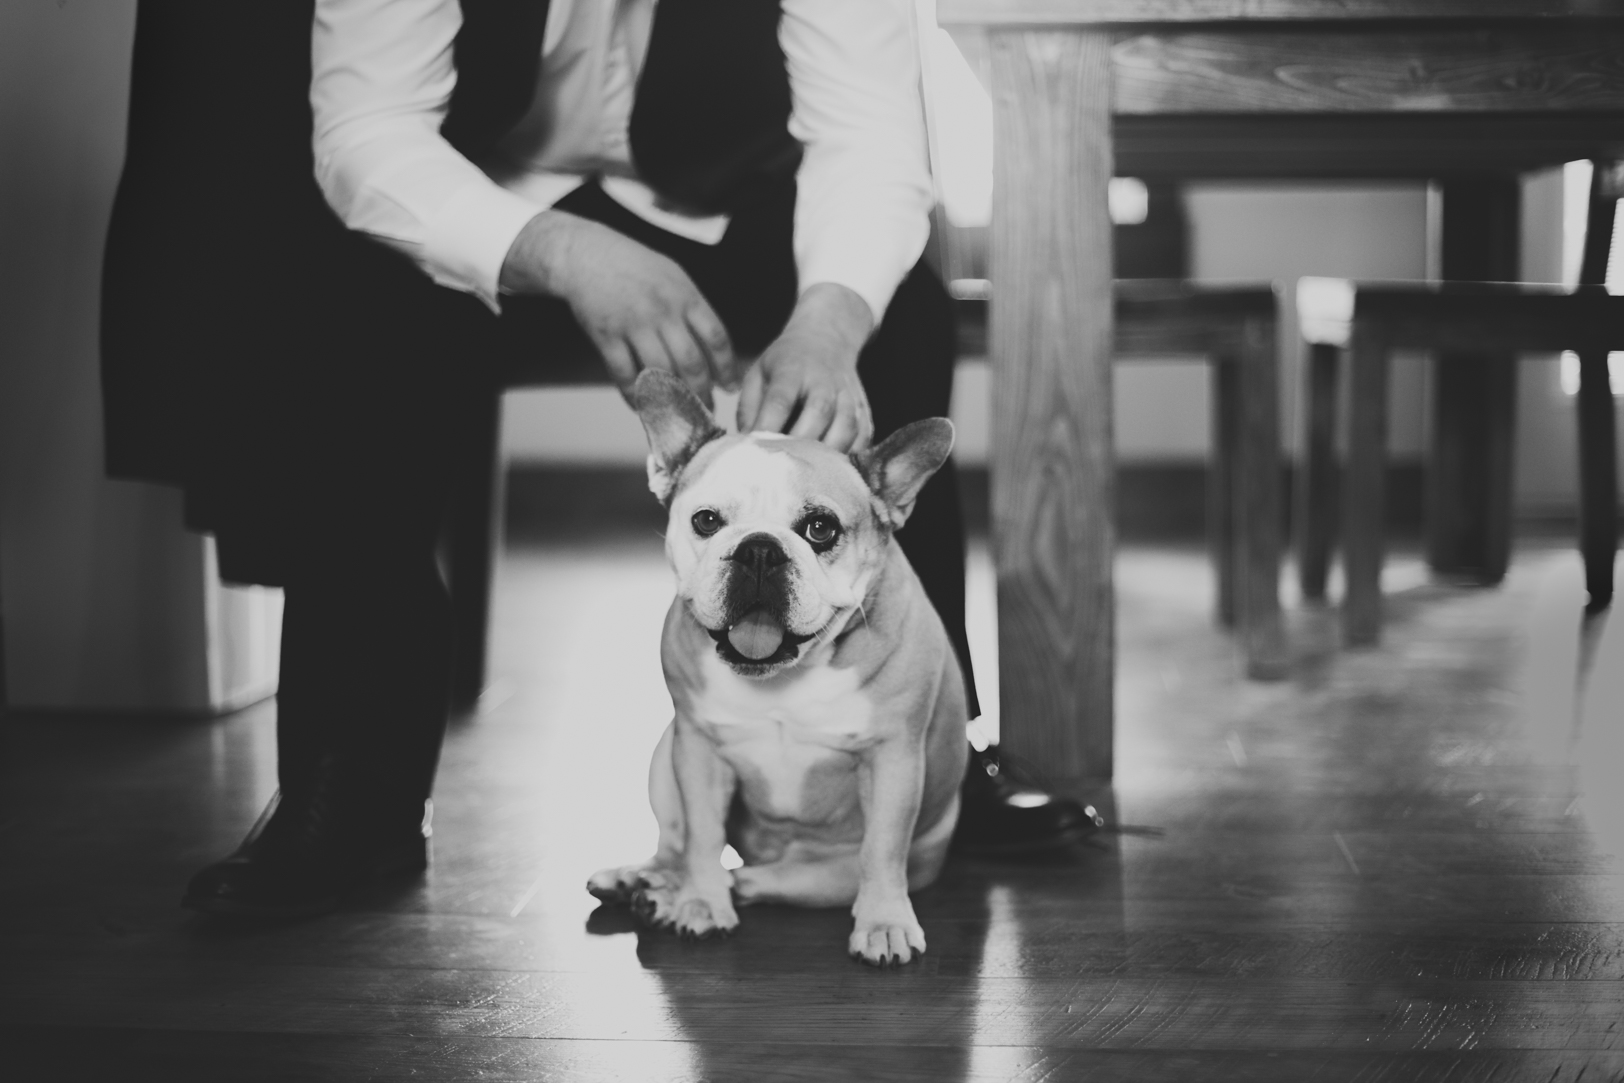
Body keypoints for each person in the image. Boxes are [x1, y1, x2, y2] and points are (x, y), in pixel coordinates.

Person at [100, 0, 1096, 920]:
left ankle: (928, 760)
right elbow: (368, 134)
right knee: (342, 299)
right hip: (476, 203)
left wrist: (830, 318)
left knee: (896, 312)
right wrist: (563, 253)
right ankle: (348, 794)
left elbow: (869, 136)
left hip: (717, 206)